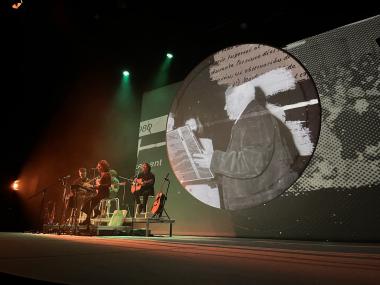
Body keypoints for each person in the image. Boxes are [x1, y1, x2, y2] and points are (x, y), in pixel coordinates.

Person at [194, 84, 298, 210]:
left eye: (228, 102)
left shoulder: (254, 117)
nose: (225, 107)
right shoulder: (253, 116)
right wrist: (219, 178)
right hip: (259, 202)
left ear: (241, 97)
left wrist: (214, 160)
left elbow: (252, 163)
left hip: (258, 204)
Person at [80, 160, 112, 225]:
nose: (98, 168)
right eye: (98, 166)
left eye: (100, 166)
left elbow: (108, 185)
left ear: (104, 167)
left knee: (90, 202)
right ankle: (91, 216)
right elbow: (99, 187)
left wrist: (94, 186)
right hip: (100, 193)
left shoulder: (107, 174)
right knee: (89, 202)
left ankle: (94, 213)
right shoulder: (102, 174)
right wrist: (90, 186)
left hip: (104, 194)